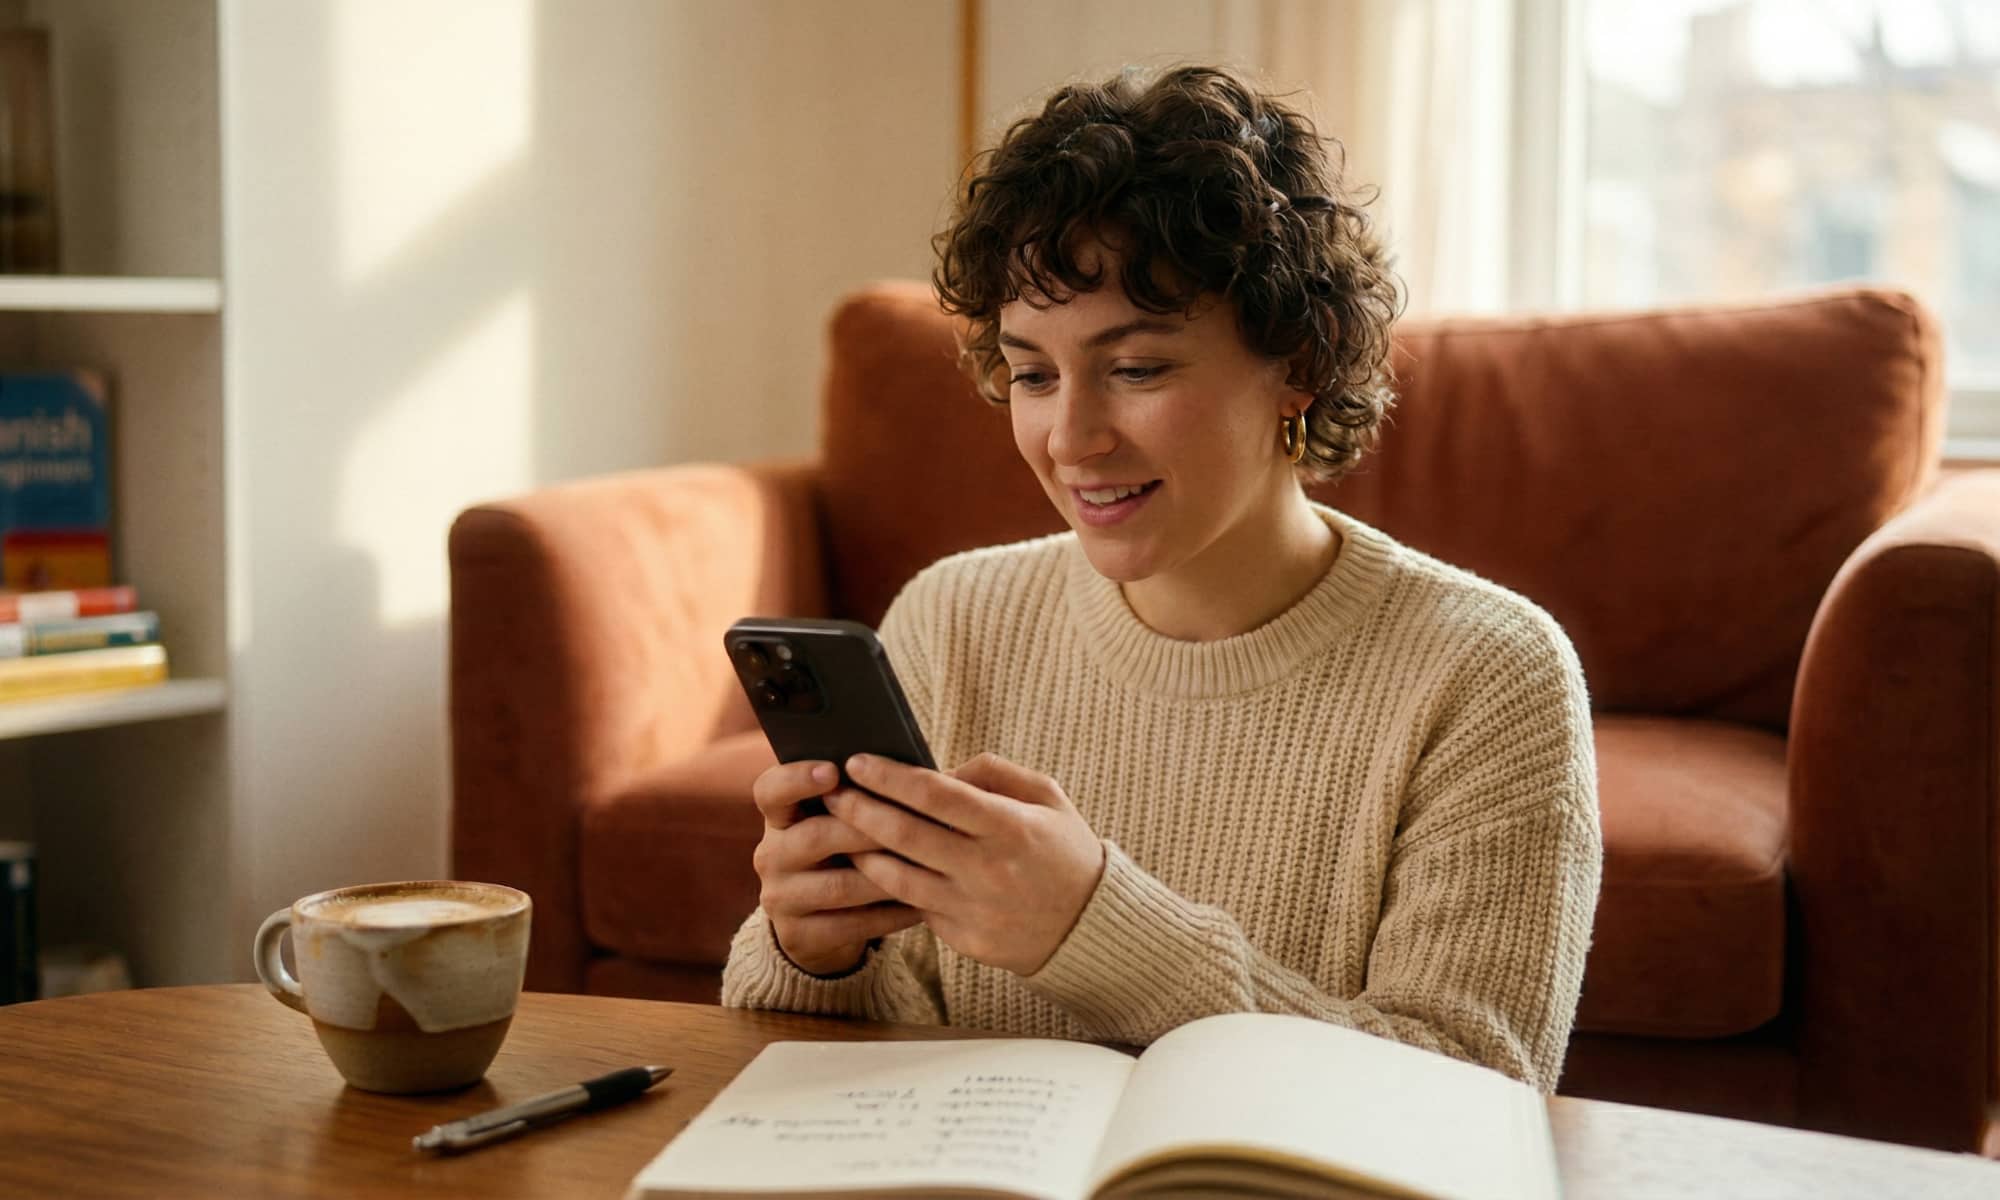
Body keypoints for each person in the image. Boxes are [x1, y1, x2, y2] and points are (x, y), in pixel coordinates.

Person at [721, 63, 1601, 1092]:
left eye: (1135, 369)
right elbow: (841, 1052)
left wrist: (1095, 928)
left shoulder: (1486, 671)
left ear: (1299, 365)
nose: (1070, 439)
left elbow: (1477, 1089)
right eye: (1032, 374)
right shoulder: (953, 618)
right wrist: (813, 950)